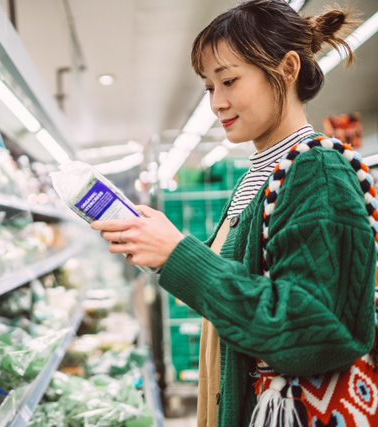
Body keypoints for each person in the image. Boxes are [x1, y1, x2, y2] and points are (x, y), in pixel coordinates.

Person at [91, 1, 376, 426]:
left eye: (228, 81)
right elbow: (238, 286)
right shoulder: (257, 177)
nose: (217, 103)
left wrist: (178, 254)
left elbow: (318, 330)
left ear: (288, 68)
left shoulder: (317, 170)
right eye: (208, 87)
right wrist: (158, 245)